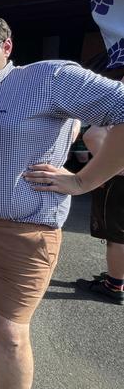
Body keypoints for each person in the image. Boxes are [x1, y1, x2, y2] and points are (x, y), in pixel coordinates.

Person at [0, 15, 124, 389]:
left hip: (23, 233)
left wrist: (85, 181)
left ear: (7, 46)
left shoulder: (47, 78)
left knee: (12, 331)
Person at [75, 124, 124, 305]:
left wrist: (108, 168)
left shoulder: (117, 104)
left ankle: (114, 286)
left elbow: (92, 135)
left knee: (117, 235)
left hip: (119, 181)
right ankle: (119, 277)